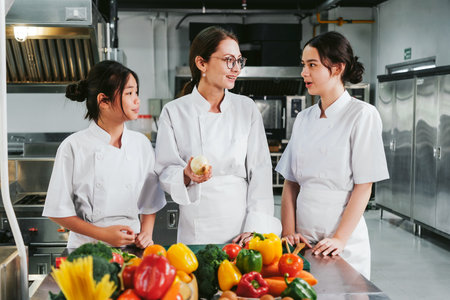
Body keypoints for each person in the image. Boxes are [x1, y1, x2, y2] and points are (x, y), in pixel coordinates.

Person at [275, 31, 389, 279]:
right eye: (303, 65)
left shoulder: (362, 115)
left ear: (337, 68)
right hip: (301, 241)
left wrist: (339, 238)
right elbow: (291, 182)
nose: (304, 72)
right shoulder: (304, 118)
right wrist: (288, 232)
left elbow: (364, 185)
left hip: (342, 243)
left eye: (312, 65)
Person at [155, 26, 281, 245]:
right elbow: (165, 170)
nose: (236, 69)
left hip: (241, 227)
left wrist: (255, 229)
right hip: (196, 225)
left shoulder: (247, 108)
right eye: (228, 60)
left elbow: (260, 172)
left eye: (239, 61)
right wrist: (186, 175)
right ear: (201, 63)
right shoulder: (175, 111)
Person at [43, 60, 166, 249]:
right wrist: (103, 235)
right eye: (129, 93)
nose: (137, 100)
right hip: (87, 249)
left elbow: (151, 200)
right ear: (103, 101)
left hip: (132, 248)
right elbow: (57, 211)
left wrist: (146, 233)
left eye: (136, 92)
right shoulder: (73, 147)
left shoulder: (141, 144)